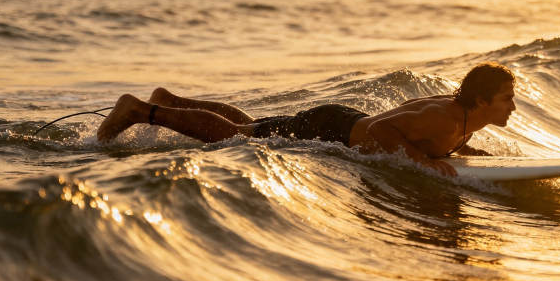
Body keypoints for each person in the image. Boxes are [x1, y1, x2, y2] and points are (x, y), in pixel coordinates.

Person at [97, 62, 516, 176]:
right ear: (481, 100)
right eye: (506, 99)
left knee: (253, 125)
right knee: (239, 137)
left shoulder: (459, 116)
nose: (512, 107)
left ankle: (168, 100)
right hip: (332, 129)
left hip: (342, 120)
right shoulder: (443, 119)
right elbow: (384, 130)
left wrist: (460, 150)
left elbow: (408, 129)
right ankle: (140, 110)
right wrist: (424, 163)